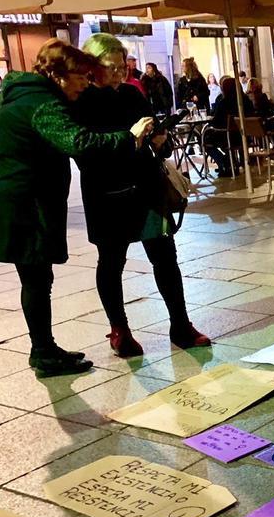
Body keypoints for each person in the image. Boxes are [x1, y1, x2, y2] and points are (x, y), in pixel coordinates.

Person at [0, 39, 153, 377]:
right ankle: (43, 353)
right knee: (35, 279)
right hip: (24, 206)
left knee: (38, 278)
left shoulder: (27, 95)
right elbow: (78, 142)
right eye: (81, 77)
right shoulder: (42, 103)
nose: (85, 84)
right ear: (61, 74)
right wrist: (128, 136)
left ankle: (44, 347)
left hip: (18, 201)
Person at [76, 34, 210, 358]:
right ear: (93, 67)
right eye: (113, 67)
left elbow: (158, 145)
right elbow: (83, 153)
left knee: (165, 256)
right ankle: (119, 330)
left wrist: (161, 138)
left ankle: (180, 325)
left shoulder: (133, 95)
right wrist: (129, 138)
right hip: (105, 195)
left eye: (123, 66)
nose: (121, 73)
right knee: (111, 262)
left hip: (146, 189)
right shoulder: (78, 101)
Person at [205, 76, 253, 177]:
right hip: (245, 135)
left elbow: (216, 121)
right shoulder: (246, 101)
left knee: (206, 140)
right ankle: (231, 161)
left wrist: (210, 124)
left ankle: (224, 162)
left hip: (227, 137)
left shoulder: (224, 103)